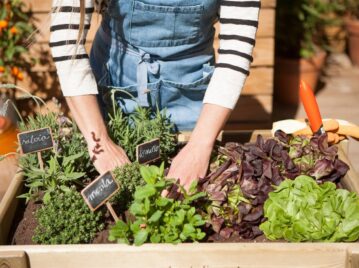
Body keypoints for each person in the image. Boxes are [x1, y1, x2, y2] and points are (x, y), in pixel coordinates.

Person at [50, 0, 261, 188]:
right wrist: (100, 142)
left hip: (189, 98)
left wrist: (199, 145)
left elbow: (235, 55)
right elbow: (67, 46)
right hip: (113, 95)